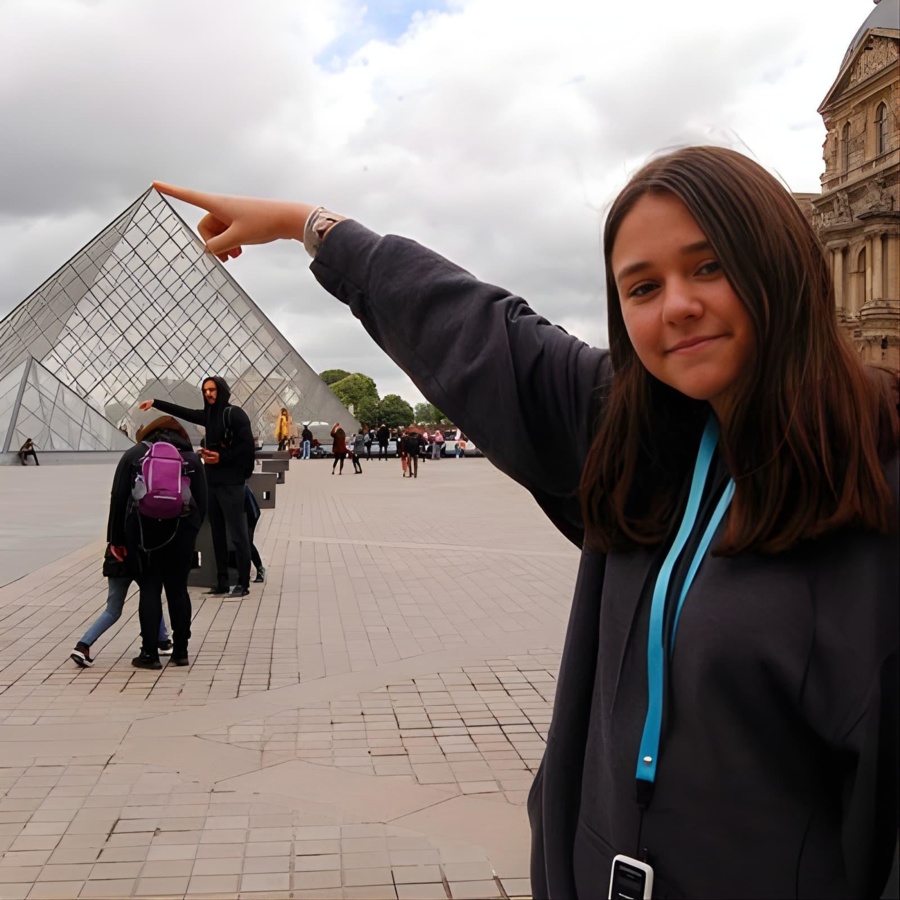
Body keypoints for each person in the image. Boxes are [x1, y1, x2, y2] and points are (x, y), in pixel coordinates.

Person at [153, 148, 898, 898]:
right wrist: (306, 224)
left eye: (708, 267)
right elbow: (478, 330)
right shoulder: (633, 436)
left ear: (784, 266)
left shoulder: (877, 478)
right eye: (642, 286)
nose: (675, 305)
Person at [105, 416, 207, 669]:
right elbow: (203, 502)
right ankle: (181, 652)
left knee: (150, 589)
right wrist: (190, 532)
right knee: (178, 590)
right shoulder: (191, 460)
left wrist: (115, 539)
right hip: (181, 534)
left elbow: (118, 498)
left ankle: (149, 653)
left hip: (143, 535)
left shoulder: (134, 455)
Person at [139, 376, 255, 599]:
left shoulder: (234, 414)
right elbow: (184, 412)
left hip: (231, 484)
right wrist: (155, 402)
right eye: (205, 390)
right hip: (213, 482)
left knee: (239, 535)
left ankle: (243, 583)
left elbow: (246, 449)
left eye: (212, 390)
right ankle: (221, 582)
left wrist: (220, 457)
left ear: (221, 391)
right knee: (217, 534)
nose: (208, 394)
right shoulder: (209, 416)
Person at [71, 535, 174, 668]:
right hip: (140, 559)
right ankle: (163, 641)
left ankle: (82, 646)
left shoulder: (115, 515)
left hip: (116, 560)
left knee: (112, 611)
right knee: (151, 599)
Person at [244, 483, 266, 583]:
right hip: (242, 514)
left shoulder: (242, 488)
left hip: (250, 515)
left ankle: (260, 568)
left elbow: (253, 512)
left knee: (247, 542)